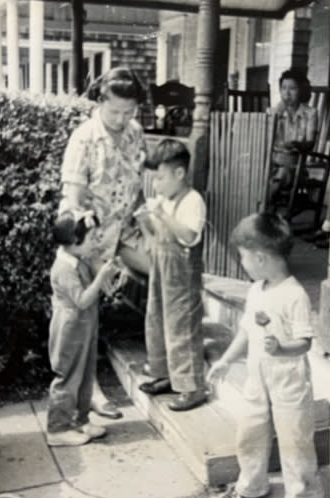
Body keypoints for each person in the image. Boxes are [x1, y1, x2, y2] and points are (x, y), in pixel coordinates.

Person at [207, 212, 324, 498]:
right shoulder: (256, 290)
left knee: (295, 441)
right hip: (256, 377)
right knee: (250, 434)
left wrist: (282, 349)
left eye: (243, 257)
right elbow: (246, 332)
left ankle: (304, 493)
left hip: (289, 380)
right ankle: (252, 486)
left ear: (260, 258)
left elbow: (305, 343)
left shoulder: (294, 295)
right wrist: (225, 360)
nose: (242, 262)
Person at [60, 67, 151, 418]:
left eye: (129, 112)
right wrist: (95, 262)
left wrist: (149, 226)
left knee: (163, 267)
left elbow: (137, 185)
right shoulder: (84, 138)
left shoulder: (135, 132)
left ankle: (162, 358)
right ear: (100, 102)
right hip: (88, 237)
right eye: (115, 111)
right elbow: (73, 200)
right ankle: (91, 390)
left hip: (124, 228)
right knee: (87, 314)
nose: (122, 119)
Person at [138, 139, 207, 411]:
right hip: (160, 269)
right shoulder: (164, 201)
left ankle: (192, 387)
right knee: (156, 319)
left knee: (181, 328)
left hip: (182, 276)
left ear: (180, 174)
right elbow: (156, 238)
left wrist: (162, 216)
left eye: (160, 178)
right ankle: (165, 374)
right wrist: (145, 223)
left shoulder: (193, 201)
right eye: (154, 179)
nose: (156, 185)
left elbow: (189, 235)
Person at [46, 210, 119, 447]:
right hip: (69, 330)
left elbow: (100, 291)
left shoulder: (80, 260)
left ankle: (80, 419)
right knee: (68, 376)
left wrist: (111, 280)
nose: (95, 242)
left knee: (86, 374)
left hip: (85, 326)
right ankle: (57, 428)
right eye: (91, 238)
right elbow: (82, 300)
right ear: (73, 242)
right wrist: (100, 279)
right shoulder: (63, 268)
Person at [269, 69, 318, 205]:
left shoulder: (310, 113)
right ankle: (263, 205)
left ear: (301, 91)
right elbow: (264, 139)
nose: (287, 93)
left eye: (292, 89)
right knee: (257, 171)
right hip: (272, 161)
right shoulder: (274, 112)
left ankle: (263, 207)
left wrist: (296, 144)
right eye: (283, 88)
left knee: (282, 174)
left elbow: (310, 143)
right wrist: (274, 117)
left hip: (295, 165)